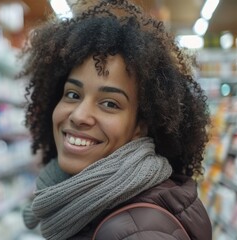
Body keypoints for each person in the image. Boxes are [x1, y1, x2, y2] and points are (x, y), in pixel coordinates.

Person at [20, 0, 212, 239]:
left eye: (110, 103)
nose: (79, 116)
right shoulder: (75, 200)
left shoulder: (140, 232)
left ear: (140, 127)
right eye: (72, 94)